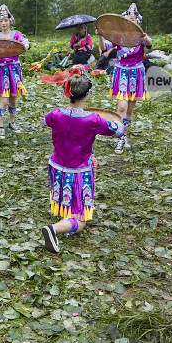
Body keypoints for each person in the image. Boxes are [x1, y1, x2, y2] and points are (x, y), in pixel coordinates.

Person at [41, 67, 124, 254]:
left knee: (66, 202)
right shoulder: (93, 120)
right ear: (86, 95)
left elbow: (45, 121)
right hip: (78, 170)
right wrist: (120, 122)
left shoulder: (56, 114)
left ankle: (64, 214)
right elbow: (118, 131)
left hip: (58, 165)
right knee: (80, 220)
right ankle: (54, 229)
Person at [109, 3, 152, 154]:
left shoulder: (141, 35)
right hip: (121, 72)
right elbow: (104, 47)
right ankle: (120, 139)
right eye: (127, 19)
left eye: (133, 19)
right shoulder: (118, 36)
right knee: (122, 107)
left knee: (130, 109)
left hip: (136, 73)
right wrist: (101, 35)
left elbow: (150, 44)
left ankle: (124, 133)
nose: (130, 22)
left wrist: (146, 39)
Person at [0, 5, 30, 139]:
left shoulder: (16, 35)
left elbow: (25, 42)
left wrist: (26, 45)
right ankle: (0, 126)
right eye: (1, 21)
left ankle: (11, 122)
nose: (3, 23)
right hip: (2, 69)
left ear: (10, 21)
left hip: (14, 69)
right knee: (4, 99)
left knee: (13, 97)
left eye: (5, 21)